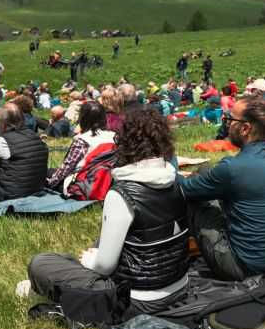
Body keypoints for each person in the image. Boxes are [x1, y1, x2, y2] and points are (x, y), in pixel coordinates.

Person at [22, 107, 188, 312]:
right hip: (179, 286)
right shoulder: (177, 181)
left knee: (41, 263)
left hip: (137, 299)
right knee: (82, 253)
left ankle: (39, 287)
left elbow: (105, 267)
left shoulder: (123, 193)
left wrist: (92, 261)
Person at [178, 96, 265, 280]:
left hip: (242, 267)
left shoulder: (233, 168)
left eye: (229, 119)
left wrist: (165, 166)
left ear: (245, 128)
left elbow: (182, 189)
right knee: (204, 171)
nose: (226, 124)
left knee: (192, 200)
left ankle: (170, 250)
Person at [45, 101, 115, 192]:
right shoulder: (114, 136)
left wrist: (50, 183)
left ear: (83, 118)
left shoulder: (82, 140)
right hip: (107, 183)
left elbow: (67, 167)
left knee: (47, 172)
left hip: (82, 185)